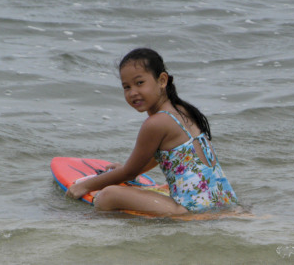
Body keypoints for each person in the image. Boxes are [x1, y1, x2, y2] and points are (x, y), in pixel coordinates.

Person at [66, 48, 238, 216]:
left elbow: (129, 173)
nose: (133, 92)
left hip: (189, 210)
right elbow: (163, 156)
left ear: (162, 80)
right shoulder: (182, 111)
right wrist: (128, 169)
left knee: (108, 196)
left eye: (139, 83)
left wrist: (84, 186)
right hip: (222, 201)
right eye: (126, 87)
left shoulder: (155, 123)